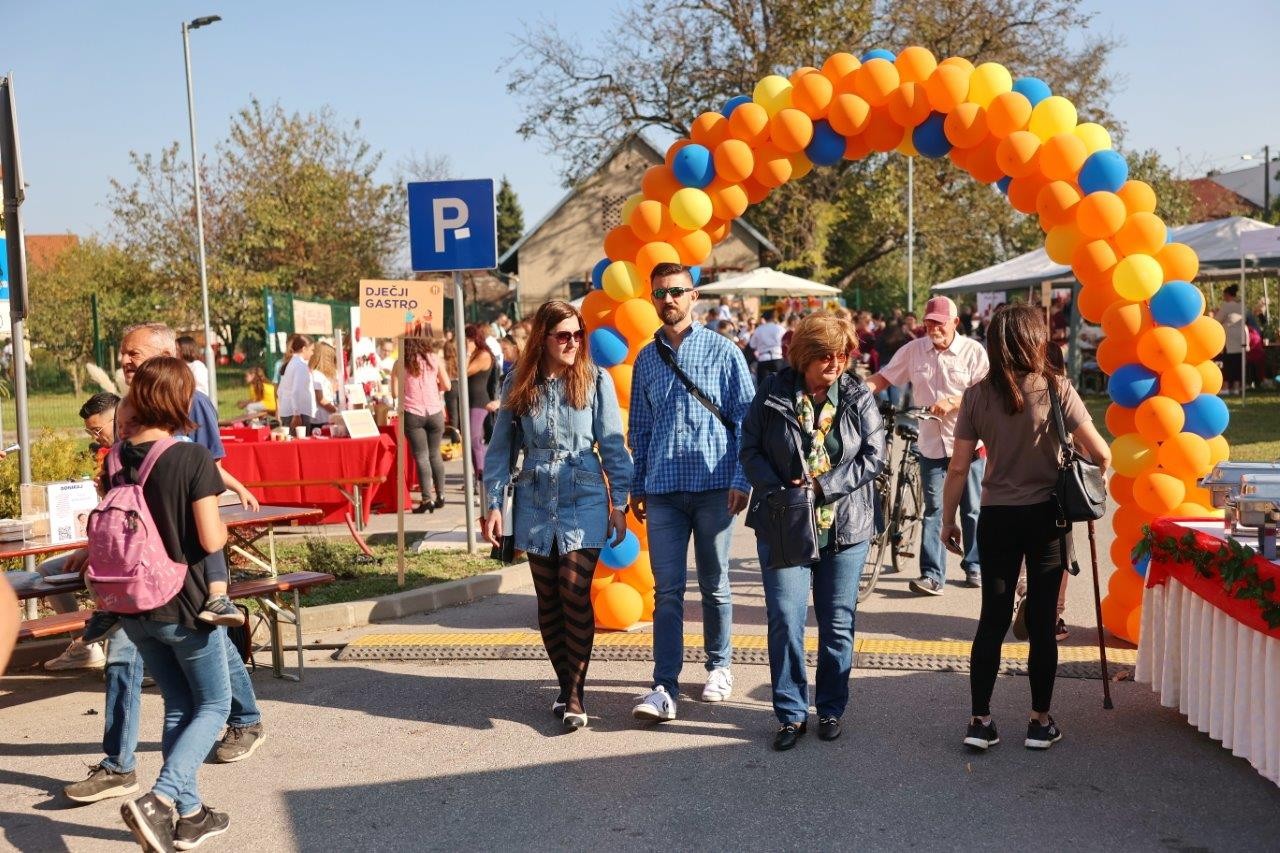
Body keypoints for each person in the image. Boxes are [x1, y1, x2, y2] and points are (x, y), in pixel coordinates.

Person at [943, 305, 1110, 753]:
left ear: (994, 344)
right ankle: (1039, 721)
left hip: (996, 516)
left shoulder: (976, 396)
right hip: (1047, 517)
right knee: (1041, 620)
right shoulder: (1056, 388)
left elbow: (958, 468)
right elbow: (1102, 454)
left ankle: (980, 721)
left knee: (992, 619)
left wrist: (947, 520)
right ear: (1035, 340)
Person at [482, 301, 633, 729]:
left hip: (583, 491)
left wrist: (619, 503)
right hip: (534, 494)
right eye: (563, 336)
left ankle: (576, 695)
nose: (573, 343)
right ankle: (566, 687)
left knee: (572, 587)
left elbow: (613, 444)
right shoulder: (518, 380)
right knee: (548, 597)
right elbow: (500, 451)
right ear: (543, 339)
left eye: (577, 334)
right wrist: (493, 504)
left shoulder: (595, 379)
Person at [740, 314, 886, 750]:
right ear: (803, 356)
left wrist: (822, 487)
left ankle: (831, 707)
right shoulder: (772, 391)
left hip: (846, 524)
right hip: (783, 520)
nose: (835, 364)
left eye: (842, 355)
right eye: (825, 356)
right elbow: (749, 449)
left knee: (837, 622)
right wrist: (779, 489)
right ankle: (789, 714)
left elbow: (874, 456)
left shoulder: (857, 395)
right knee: (785, 619)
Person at [106, 356, 235, 850]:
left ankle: (191, 814)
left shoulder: (115, 457)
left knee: (180, 704)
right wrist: (222, 525)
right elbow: (210, 537)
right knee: (215, 705)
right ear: (182, 400)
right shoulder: (191, 458)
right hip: (186, 604)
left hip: (133, 605)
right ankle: (159, 800)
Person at [629, 262, 755, 722]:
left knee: (715, 585)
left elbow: (747, 422)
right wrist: (638, 484)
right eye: (660, 293)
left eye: (677, 291)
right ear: (652, 298)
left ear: (694, 296)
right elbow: (639, 429)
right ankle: (664, 685)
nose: (669, 299)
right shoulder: (646, 359)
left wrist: (742, 479)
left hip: (714, 488)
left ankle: (719, 666)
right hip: (663, 490)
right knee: (667, 592)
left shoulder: (724, 351)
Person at [866, 296, 988, 595]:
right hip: (931, 445)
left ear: (955, 323)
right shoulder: (913, 350)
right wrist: (855, 392)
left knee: (971, 508)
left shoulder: (973, 351)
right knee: (934, 509)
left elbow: (987, 392)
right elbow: (884, 377)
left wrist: (954, 401)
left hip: (969, 444)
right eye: (929, 323)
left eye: (940, 323)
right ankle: (932, 575)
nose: (934, 329)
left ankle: (974, 565)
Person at [14, 392, 120, 672]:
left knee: (95, 576)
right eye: (89, 432)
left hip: (123, 551)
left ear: (117, 419)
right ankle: (84, 646)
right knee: (48, 570)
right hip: (102, 544)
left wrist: (95, 552)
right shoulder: (110, 456)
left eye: (97, 430)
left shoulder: (131, 455)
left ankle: (125, 659)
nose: (95, 437)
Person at [393, 336, 451, 514]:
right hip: (435, 411)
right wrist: (433, 388)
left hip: (412, 413)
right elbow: (447, 385)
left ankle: (427, 499)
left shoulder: (400, 362)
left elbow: (395, 392)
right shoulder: (434, 359)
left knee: (421, 456)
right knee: (435, 454)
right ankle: (441, 495)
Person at [465, 324, 500, 492]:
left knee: (475, 440)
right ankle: (477, 478)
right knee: (471, 441)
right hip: (470, 402)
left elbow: (464, 371)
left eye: (467, 340)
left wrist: (466, 352)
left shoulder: (483, 355)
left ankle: (482, 477)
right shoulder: (477, 354)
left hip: (479, 403)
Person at [1216, 284, 1248, 395]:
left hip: (1229, 340)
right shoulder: (1242, 306)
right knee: (1238, 363)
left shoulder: (1226, 306)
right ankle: (1236, 387)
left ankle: (1226, 387)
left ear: (1227, 295)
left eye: (1224, 296)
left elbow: (1217, 319)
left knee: (1228, 364)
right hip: (1241, 338)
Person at [309, 341, 340, 427]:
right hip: (320, 420)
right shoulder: (316, 375)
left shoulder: (321, 375)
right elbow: (321, 399)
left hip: (326, 418)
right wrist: (336, 410)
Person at [748, 309, 787, 378]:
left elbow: (752, 345)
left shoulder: (758, 329)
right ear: (774, 317)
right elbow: (785, 342)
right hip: (777, 357)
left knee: (763, 383)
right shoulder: (780, 328)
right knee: (779, 383)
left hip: (763, 359)